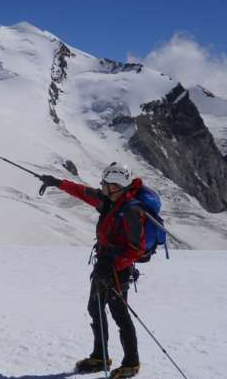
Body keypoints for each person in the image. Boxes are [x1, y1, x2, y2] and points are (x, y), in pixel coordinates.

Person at [39, 162, 146, 379]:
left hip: (118, 270)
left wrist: (113, 266)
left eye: (106, 184)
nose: (102, 187)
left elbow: (137, 250)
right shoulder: (109, 201)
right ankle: (100, 356)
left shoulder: (131, 211)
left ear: (117, 185)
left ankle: (131, 363)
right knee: (95, 308)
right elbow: (83, 192)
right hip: (104, 265)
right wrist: (57, 183)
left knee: (119, 313)